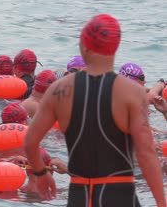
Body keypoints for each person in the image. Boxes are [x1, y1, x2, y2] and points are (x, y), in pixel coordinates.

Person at [24, 14, 166, 206]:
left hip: (79, 196)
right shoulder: (133, 92)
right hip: (121, 196)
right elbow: (146, 153)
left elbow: (31, 142)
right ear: (116, 47)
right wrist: (161, 202)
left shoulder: (58, 90)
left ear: (83, 45)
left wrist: (41, 174)